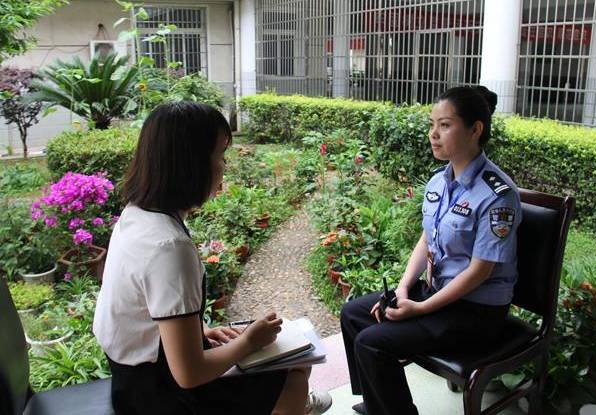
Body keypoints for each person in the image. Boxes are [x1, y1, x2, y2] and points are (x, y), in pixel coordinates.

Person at [93, 102, 332, 415]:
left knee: (273, 361)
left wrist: (197, 334)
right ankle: (295, 403)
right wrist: (250, 340)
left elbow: (136, 313)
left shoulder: (136, 216)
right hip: (161, 397)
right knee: (296, 371)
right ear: (192, 164)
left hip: (132, 379)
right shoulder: (170, 247)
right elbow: (189, 374)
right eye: (220, 155)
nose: (224, 166)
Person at [340, 86, 522, 415]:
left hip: (475, 312)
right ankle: (377, 404)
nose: (433, 134)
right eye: (431, 124)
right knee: (353, 314)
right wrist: (404, 287)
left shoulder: (497, 195)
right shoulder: (440, 182)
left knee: (372, 342)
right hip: (439, 294)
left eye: (445, 125)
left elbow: (481, 271)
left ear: (475, 129)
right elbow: (426, 240)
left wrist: (420, 310)